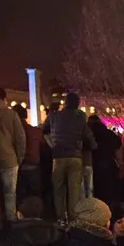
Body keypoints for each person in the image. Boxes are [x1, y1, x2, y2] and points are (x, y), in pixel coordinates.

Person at [43, 93, 96, 222]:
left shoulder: (54, 116)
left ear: (65, 102)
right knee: (74, 191)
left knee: (58, 189)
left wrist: (52, 144)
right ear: (77, 104)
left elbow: (44, 130)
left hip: (58, 156)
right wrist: (92, 145)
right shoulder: (80, 117)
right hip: (75, 156)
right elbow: (87, 136)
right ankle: (73, 220)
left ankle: (61, 218)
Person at [0, 87, 26, 221]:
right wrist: (19, 158)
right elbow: (20, 139)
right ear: (4, 98)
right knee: (10, 195)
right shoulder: (11, 114)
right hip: (10, 159)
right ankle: (11, 224)